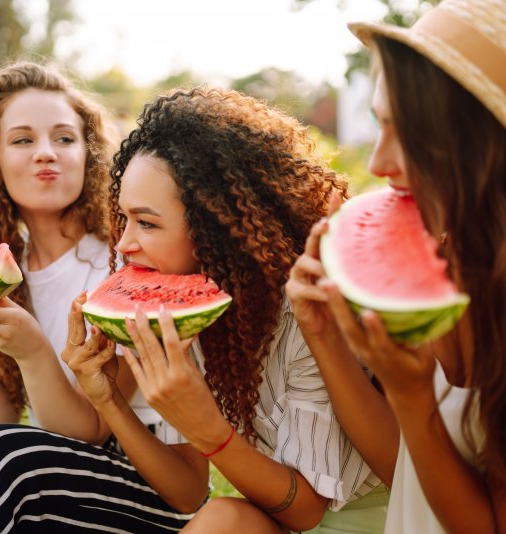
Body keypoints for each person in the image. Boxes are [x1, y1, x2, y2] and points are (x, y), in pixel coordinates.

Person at [0, 61, 208, 534]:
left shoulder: (125, 266)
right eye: (23, 139)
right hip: (48, 475)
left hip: (148, 485)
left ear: (89, 155)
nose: (46, 153)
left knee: (0, 457)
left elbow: (87, 433)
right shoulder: (8, 270)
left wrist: (32, 351)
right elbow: (2, 417)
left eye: (65, 138)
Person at [286, 0, 506, 532]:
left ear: (490, 145)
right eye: (380, 124)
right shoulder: (444, 262)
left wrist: (410, 394)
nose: (377, 163)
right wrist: (324, 335)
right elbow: (408, 469)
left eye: (411, 135)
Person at [105, 86, 387, 533]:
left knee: (223, 518)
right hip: (285, 522)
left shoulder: (302, 316)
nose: (124, 244)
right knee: (219, 515)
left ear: (216, 227)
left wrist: (209, 430)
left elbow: (308, 511)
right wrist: (110, 400)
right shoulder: (192, 316)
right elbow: (186, 493)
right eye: (123, 219)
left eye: (147, 223)